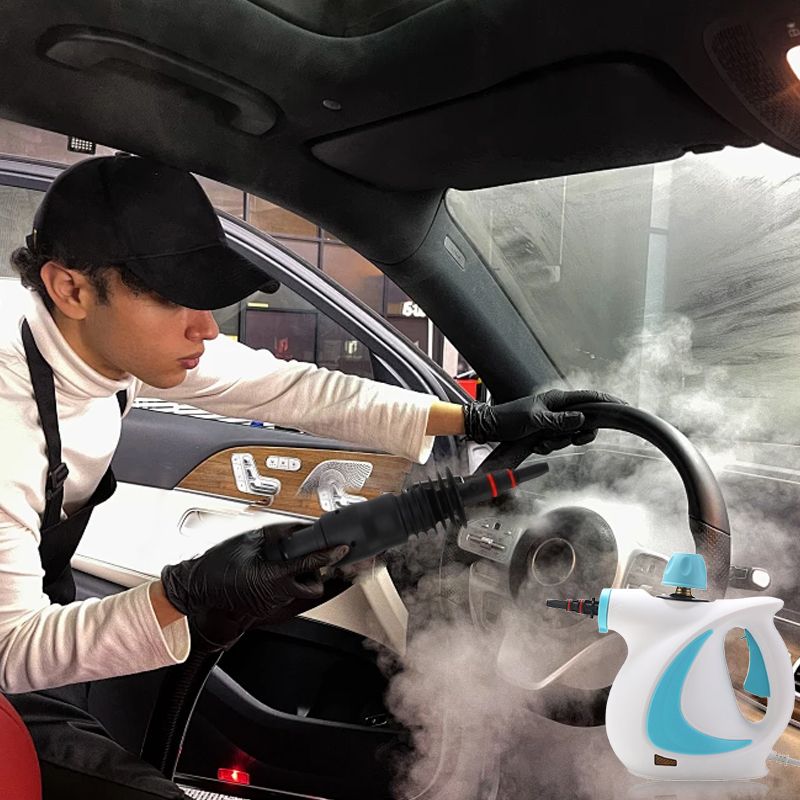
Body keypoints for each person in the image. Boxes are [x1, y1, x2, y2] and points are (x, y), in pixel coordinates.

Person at [0, 154, 617, 798]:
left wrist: (476, 419)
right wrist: (180, 595)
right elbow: (12, 649)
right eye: (170, 297)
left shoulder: (102, 346)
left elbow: (290, 388)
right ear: (71, 289)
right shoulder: (9, 419)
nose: (206, 327)